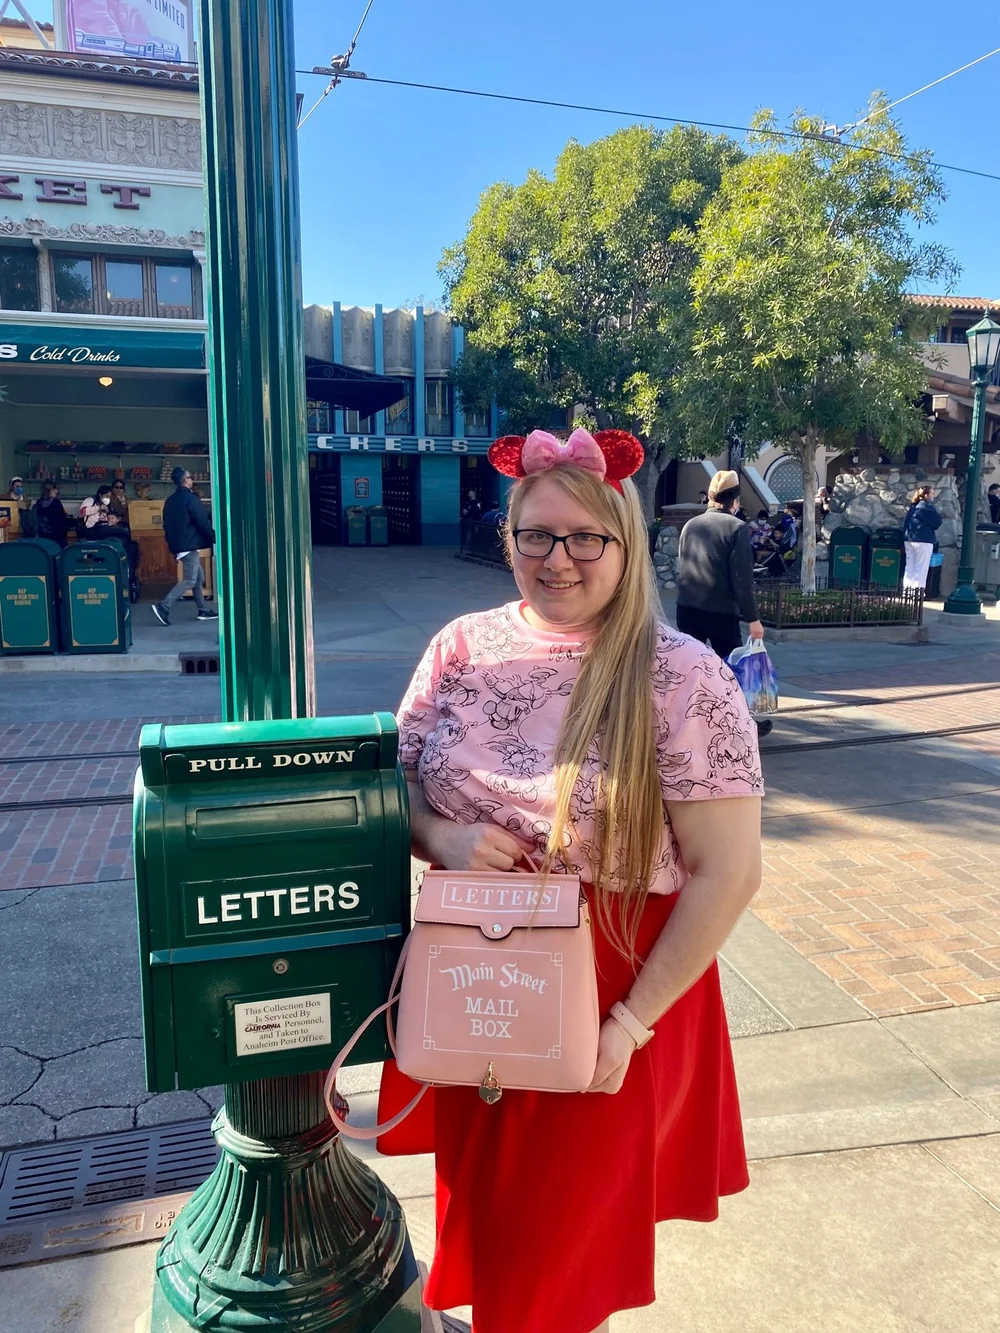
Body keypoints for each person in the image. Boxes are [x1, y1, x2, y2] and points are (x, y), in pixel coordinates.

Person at [375, 427, 762, 1333]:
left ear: (626, 546)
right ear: (507, 538)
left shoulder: (683, 676)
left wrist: (627, 1028)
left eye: (586, 537)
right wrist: (442, 835)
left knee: (556, 1261)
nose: (559, 558)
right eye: (536, 535)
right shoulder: (461, 646)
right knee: (499, 1219)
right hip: (475, 965)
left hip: (610, 987)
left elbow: (730, 872)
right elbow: (388, 786)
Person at [153, 467, 218, 625]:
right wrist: (214, 536)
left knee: (198, 578)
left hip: (178, 544)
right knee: (190, 579)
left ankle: (202, 609)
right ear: (185, 480)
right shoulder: (190, 499)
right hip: (188, 544)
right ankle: (164, 606)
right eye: (190, 477)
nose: (192, 479)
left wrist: (171, 544)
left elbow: (166, 525)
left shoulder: (170, 500)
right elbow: (201, 520)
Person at [903, 485, 942, 591]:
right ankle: (918, 593)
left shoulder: (913, 507)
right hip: (924, 539)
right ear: (926, 495)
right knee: (921, 568)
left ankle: (906, 592)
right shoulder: (927, 508)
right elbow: (937, 522)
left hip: (909, 539)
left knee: (909, 567)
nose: (933, 496)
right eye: (932, 494)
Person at [33, 482, 71, 546]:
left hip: (42, 536)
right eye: (54, 489)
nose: (56, 491)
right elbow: (60, 521)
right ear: (48, 491)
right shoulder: (56, 503)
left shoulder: (39, 502)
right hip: (56, 537)